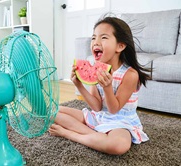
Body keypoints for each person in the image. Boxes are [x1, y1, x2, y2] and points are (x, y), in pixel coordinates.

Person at [49, 17, 150, 155]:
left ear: (120, 46)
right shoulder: (98, 69)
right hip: (99, 116)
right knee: (52, 111)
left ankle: (71, 134)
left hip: (121, 122)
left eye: (103, 38)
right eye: (93, 38)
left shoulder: (130, 75)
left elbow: (114, 109)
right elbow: (96, 107)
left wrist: (108, 88)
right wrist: (79, 85)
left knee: (118, 146)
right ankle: (97, 135)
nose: (96, 42)